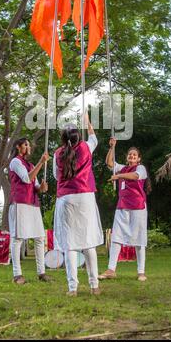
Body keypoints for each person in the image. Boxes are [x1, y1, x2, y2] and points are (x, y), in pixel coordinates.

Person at [53, 114, 103, 296]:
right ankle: (94, 285)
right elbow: (94, 138)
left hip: (66, 199)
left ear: (63, 137)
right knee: (88, 242)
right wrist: (88, 120)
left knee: (70, 244)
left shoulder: (57, 153)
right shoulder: (86, 147)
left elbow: (56, 176)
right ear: (77, 136)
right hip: (85, 197)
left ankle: (72, 288)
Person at [99, 139, 151, 282]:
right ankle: (111, 270)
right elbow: (109, 163)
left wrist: (119, 176)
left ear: (138, 158)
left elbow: (135, 177)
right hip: (122, 207)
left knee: (139, 239)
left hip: (138, 207)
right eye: (130, 154)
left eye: (135, 155)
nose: (132, 156)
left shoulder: (140, 169)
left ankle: (141, 272)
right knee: (117, 237)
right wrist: (112, 147)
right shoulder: (122, 168)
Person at [9, 137, 51, 284]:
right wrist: (41, 162)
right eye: (25, 144)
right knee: (18, 238)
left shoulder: (31, 164)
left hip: (33, 204)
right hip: (19, 203)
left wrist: (42, 188)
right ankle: (17, 275)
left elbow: (36, 186)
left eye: (29, 144)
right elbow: (27, 179)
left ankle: (41, 272)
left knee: (40, 238)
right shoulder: (15, 162)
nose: (28, 147)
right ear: (18, 147)